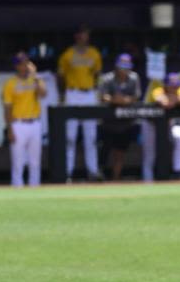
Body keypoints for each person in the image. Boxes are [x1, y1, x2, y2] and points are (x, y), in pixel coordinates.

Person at [58, 25, 103, 181]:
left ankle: (93, 171)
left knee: (91, 135)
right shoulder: (68, 54)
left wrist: (93, 91)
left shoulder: (94, 53)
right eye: (81, 34)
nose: (83, 37)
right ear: (76, 36)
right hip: (73, 93)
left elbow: (97, 75)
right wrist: (63, 94)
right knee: (70, 135)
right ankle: (67, 172)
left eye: (85, 34)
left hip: (89, 93)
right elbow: (61, 77)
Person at [1, 52, 47, 187]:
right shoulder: (10, 83)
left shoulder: (35, 79)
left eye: (27, 62)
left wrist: (36, 76)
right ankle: (17, 188)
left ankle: (35, 186)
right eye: (22, 63)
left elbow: (43, 94)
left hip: (34, 122)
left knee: (35, 161)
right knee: (18, 161)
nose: (25, 66)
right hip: (18, 123)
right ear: (16, 66)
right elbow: (7, 108)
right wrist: (9, 129)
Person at [97, 52, 143, 181]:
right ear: (116, 66)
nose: (124, 70)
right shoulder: (107, 78)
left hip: (125, 123)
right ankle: (100, 179)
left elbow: (136, 96)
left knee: (120, 153)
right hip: (108, 123)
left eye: (126, 67)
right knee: (104, 153)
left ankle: (116, 180)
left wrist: (123, 100)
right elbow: (103, 97)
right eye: (121, 66)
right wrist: (115, 100)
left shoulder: (134, 78)